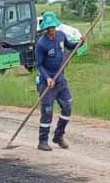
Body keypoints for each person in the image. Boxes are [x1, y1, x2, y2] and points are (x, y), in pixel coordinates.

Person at [33, 11, 79, 151]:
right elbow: (39, 65)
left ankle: (58, 136)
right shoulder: (41, 44)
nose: (51, 30)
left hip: (60, 81)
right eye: (48, 28)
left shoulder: (61, 35)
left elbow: (69, 46)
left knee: (67, 107)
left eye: (53, 26)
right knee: (47, 112)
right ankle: (42, 141)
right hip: (46, 83)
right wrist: (47, 78)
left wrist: (79, 42)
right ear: (45, 28)